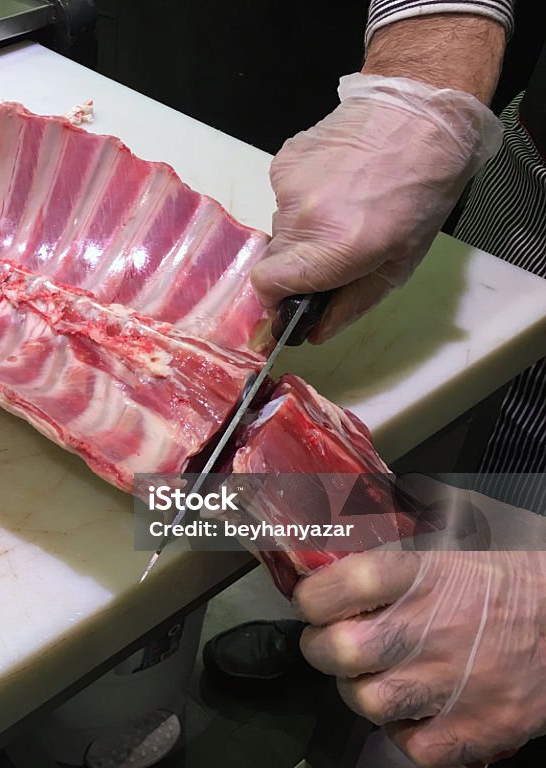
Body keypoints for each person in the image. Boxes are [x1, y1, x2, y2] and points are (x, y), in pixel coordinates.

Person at [207, 1, 546, 765]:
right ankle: (367, 621)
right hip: (532, 182)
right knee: (439, 477)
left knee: (465, 703)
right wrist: (425, 79)